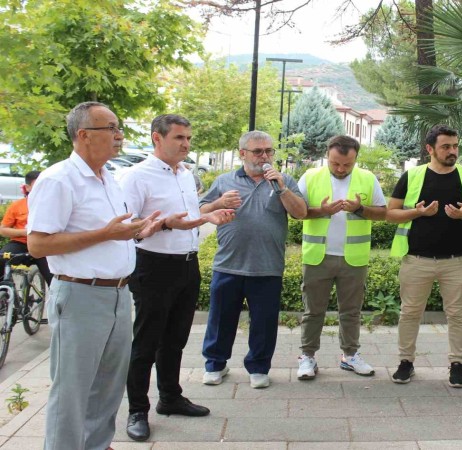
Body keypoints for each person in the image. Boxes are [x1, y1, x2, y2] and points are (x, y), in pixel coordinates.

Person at [27, 102, 161, 450]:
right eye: (111, 128)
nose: (119, 136)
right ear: (84, 135)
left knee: (108, 385)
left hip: (118, 294)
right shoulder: (59, 179)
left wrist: (138, 231)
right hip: (80, 296)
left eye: (119, 129)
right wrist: (106, 234)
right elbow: (38, 244)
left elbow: (113, 235)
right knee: (72, 390)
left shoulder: (109, 178)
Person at [119, 114, 235, 441]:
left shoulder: (185, 174)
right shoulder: (135, 176)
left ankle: (170, 397)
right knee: (146, 341)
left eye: (188, 138)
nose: (186, 144)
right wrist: (165, 224)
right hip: (153, 265)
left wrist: (209, 214)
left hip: (187, 264)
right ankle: (137, 410)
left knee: (175, 339)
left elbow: (190, 216)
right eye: (179, 138)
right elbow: (125, 228)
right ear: (157, 138)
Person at [200, 130, 306, 389]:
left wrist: (282, 189)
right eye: (258, 151)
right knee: (221, 320)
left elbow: (301, 213)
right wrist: (219, 203)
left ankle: (258, 367)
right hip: (228, 264)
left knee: (264, 323)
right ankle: (215, 365)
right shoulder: (225, 181)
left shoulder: (284, 181)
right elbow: (200, 210)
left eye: (269, 151)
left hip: (267, 266)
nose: (264, 156)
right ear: (242, 154)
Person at [386, 124, 462, 387]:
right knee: (409, 313)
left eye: (455, 146)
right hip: (417, 259)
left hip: (458, 260)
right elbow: (390, 214)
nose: (453, 151)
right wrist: (417, 213)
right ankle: (406, 362)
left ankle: (457, 364)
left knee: (458, 315)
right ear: (430, 149)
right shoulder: (412, 175)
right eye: (446, 147)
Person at [296, 135, 387, 380]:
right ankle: (307, 357)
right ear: (327, 155)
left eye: (347, 164)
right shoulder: (310, 177)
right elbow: (296, 212)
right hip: (317, 256)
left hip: (354, 258)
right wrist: (322, 211)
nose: (340, 169)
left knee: (351, 311)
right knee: (313, 311)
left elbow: (383, 213)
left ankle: (350, 355)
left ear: (356, 159)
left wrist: (359, 209)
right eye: (335, 163)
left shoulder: (367, 178)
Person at [0, 170, 52, 284]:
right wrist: (25, 232)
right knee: (2, 258)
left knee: (53, 276)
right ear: (27, 188)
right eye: (37, 185)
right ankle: (5, 289)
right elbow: (3, 230)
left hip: (43, 244)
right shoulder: (17, 205)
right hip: (20, 243)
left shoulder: (53, 204)